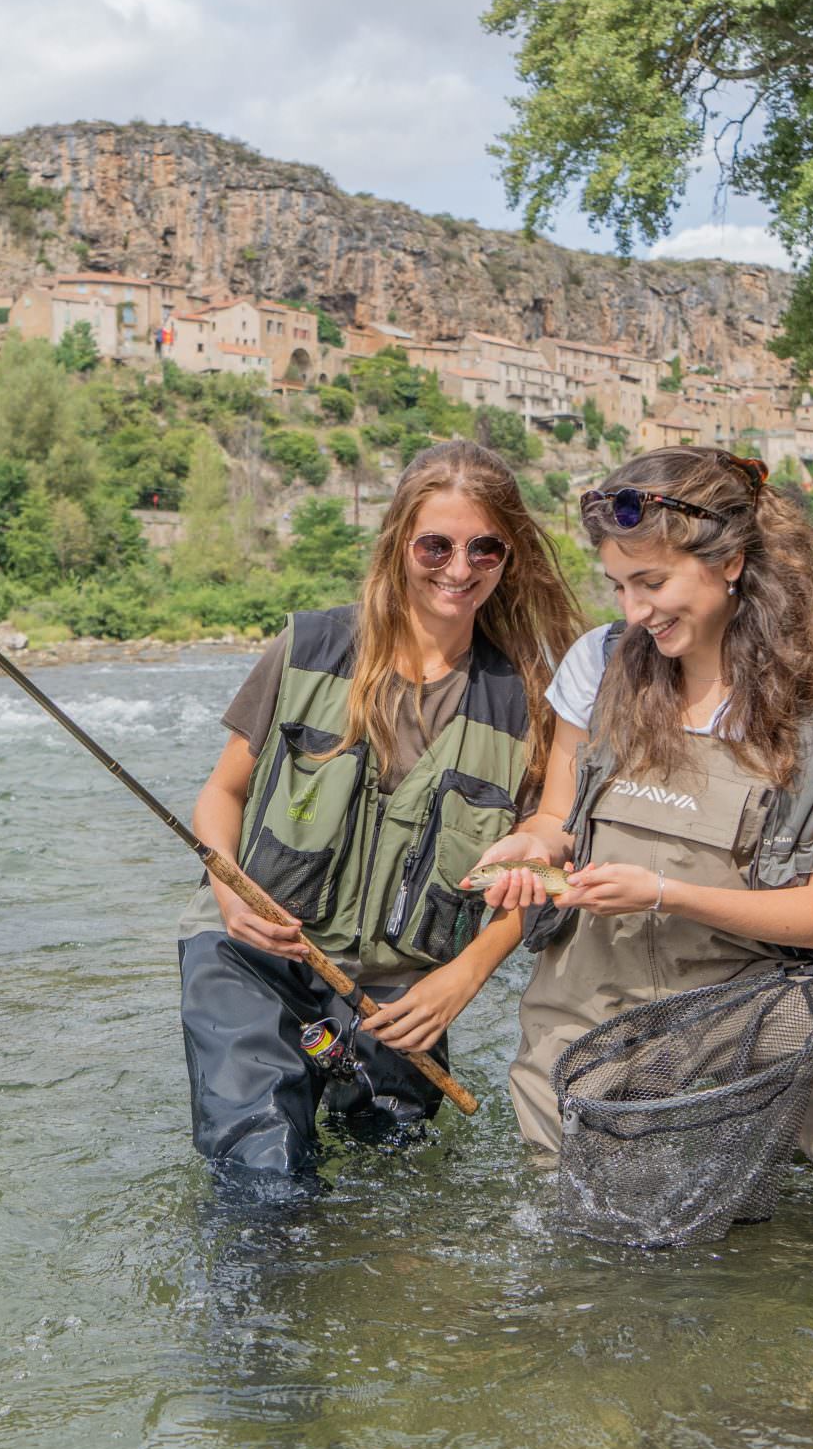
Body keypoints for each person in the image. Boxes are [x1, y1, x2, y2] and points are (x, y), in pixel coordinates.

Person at [471, 446, 813, 1227]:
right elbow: (555, 817)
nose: (635, 610)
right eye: (619, 586)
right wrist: (533, 845)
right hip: (595, 1003)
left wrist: (666, 893)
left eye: (652, 583)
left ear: (731, 562)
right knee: (590, 1227)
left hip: (762, 1002)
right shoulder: (597, 664)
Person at [179, 441, 588, 1176]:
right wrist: (224, 886)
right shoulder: (308, 646)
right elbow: (222, 794)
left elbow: (543, 876)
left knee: (395, 1172)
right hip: (255, 956)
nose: (459, 570)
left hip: (406, 990)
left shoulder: (532, 701)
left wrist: (460, 979)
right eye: (436, 545)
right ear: (400, 542)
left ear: (510, 557)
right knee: (265, 1172)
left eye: (484, 549)